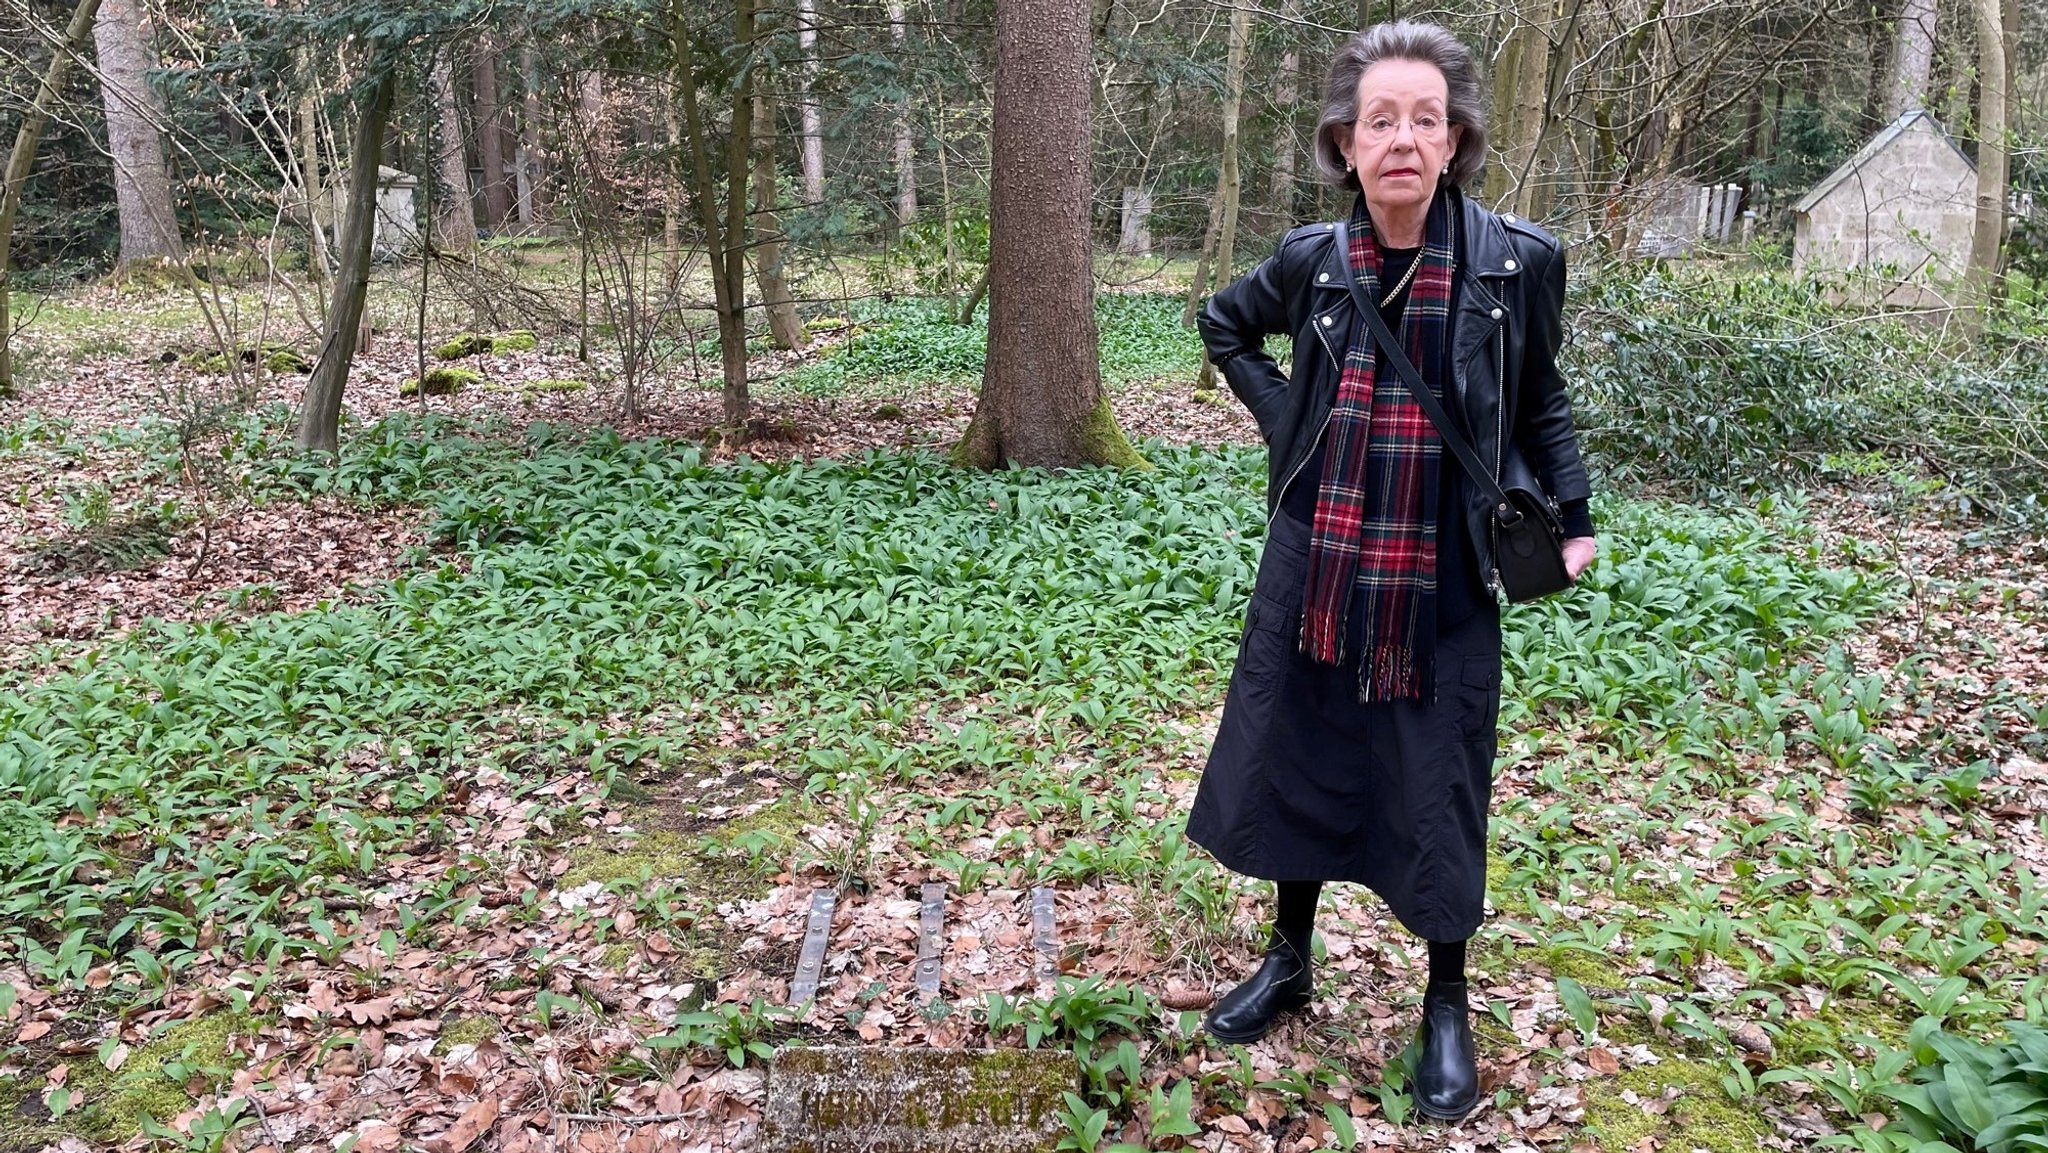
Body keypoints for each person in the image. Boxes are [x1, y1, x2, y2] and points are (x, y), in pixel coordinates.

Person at [1186, 20, 1598, 1123]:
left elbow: (1541, 395)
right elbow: (1223, 327)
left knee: (1438, 783)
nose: (1403, 139)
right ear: (1344, 142)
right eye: (1381, 120)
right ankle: (1288, 959)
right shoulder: (1310, 263)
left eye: (1425, 118)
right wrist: (1292, 426)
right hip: (1321, 561)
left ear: (1455, 138)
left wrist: (1573, 511)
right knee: (1306, 754)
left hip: (1446, 570)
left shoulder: (1516, 262)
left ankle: (1445, 1003)